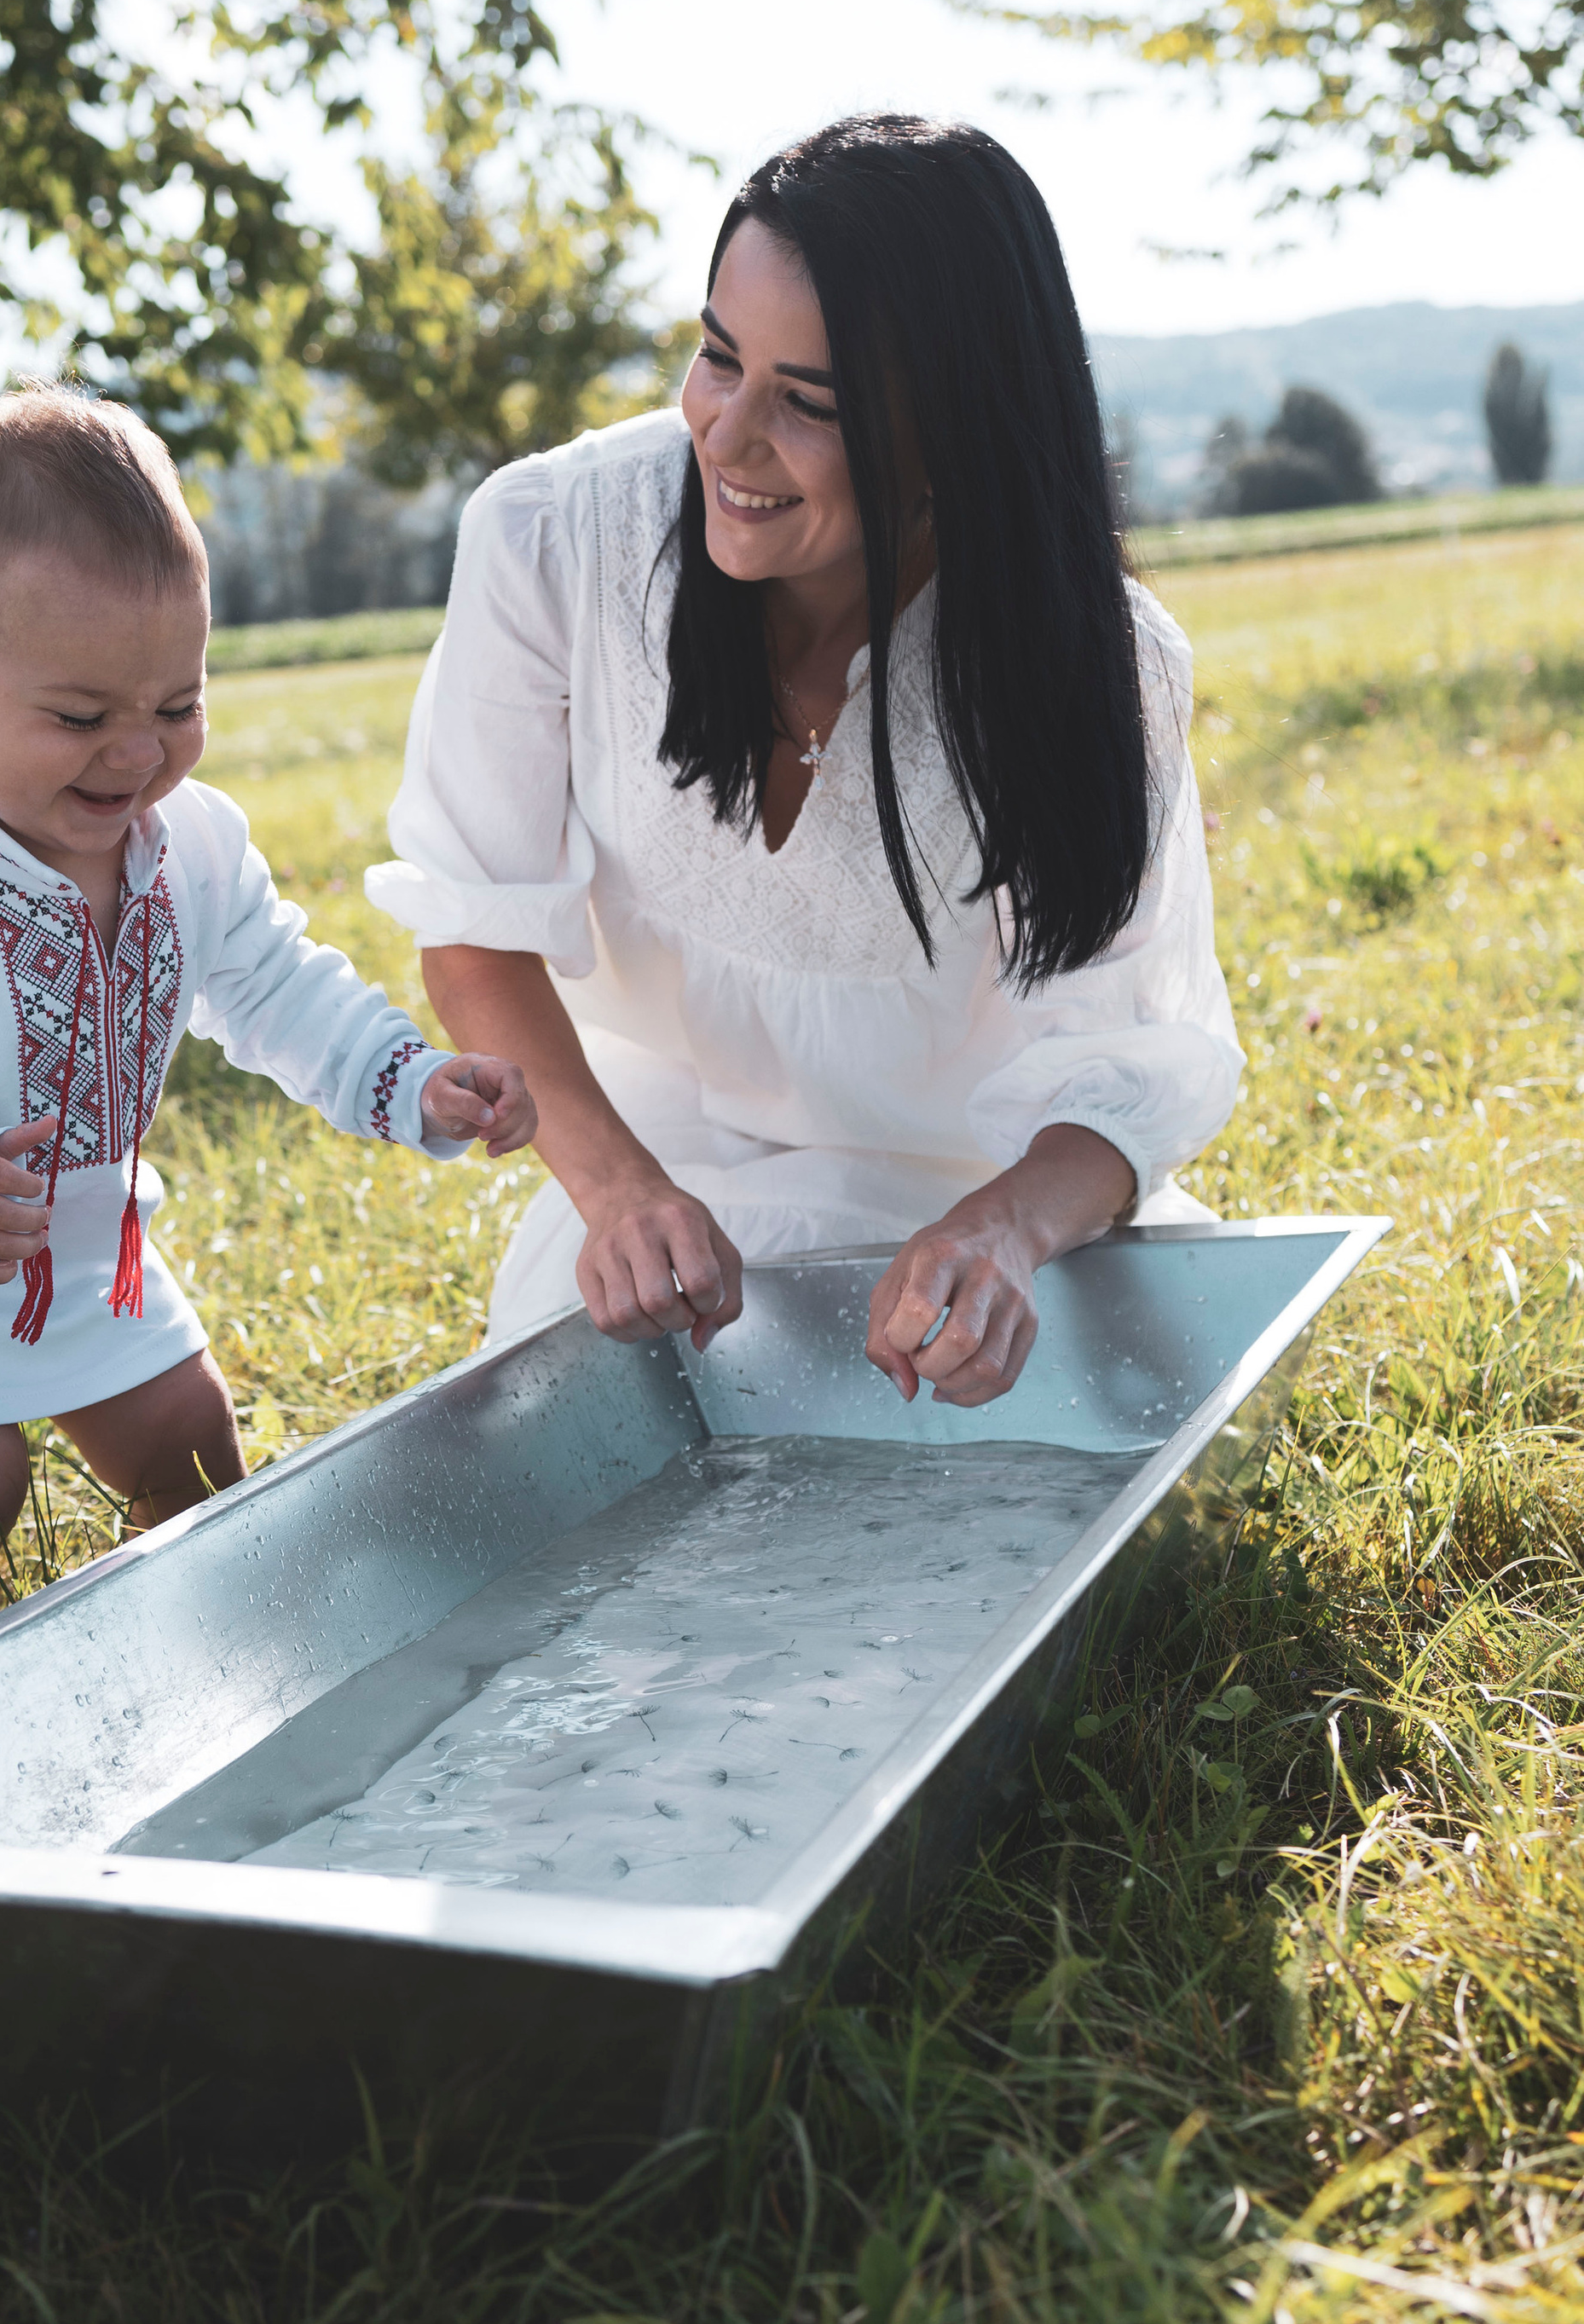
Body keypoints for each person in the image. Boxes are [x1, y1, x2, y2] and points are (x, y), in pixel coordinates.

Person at [368, 113, 1242, 1408]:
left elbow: (1125, 1065)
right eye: (719, 357)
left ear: (958, 434)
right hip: (678, 1179)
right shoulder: (552, 544)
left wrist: (1000, 1230)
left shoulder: (1094, 666)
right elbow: (474, 930)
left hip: (967, 1211)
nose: (724, 436)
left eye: (809, 405)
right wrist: (619, 1195)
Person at [0, 386, 535, 1691]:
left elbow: (277, 986)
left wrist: (410, 1081)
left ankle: (224, 1670)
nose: (135, 754)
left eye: (177, 704)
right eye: (79, 715)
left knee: (192, 1444)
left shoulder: (191, 847)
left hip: (87, 1240)